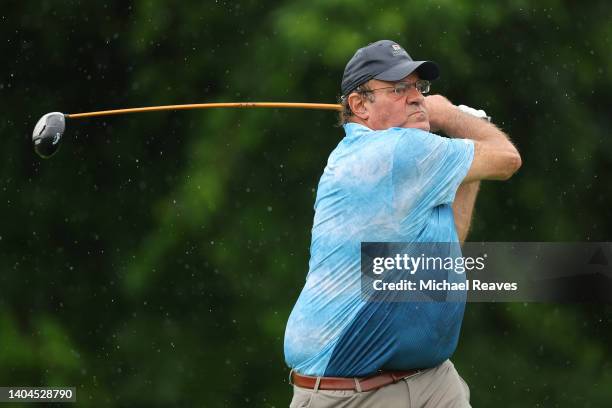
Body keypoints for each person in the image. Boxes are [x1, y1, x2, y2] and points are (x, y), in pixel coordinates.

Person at [284, 40, 521, 407]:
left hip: (429, 378)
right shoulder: (397, 152)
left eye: (419, 88)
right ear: (360, 105)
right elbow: (507, 159)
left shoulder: (414, 170)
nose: (417, 98)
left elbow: (439, 257)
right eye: (398, 89)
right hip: (349, 391)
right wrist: (452, 117)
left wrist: (470, 142)